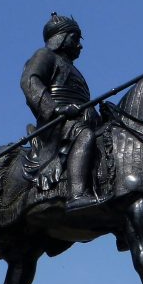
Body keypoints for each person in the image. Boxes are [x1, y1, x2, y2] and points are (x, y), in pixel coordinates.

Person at [20, 12, 100, 210]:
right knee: (84, 135)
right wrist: (56, 109)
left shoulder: (73, 69)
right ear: (61, 37)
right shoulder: (44, 55)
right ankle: (77, 194)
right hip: (57, 123)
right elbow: (30, 81)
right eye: (75, 39)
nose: (80, 45)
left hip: (80, 118)